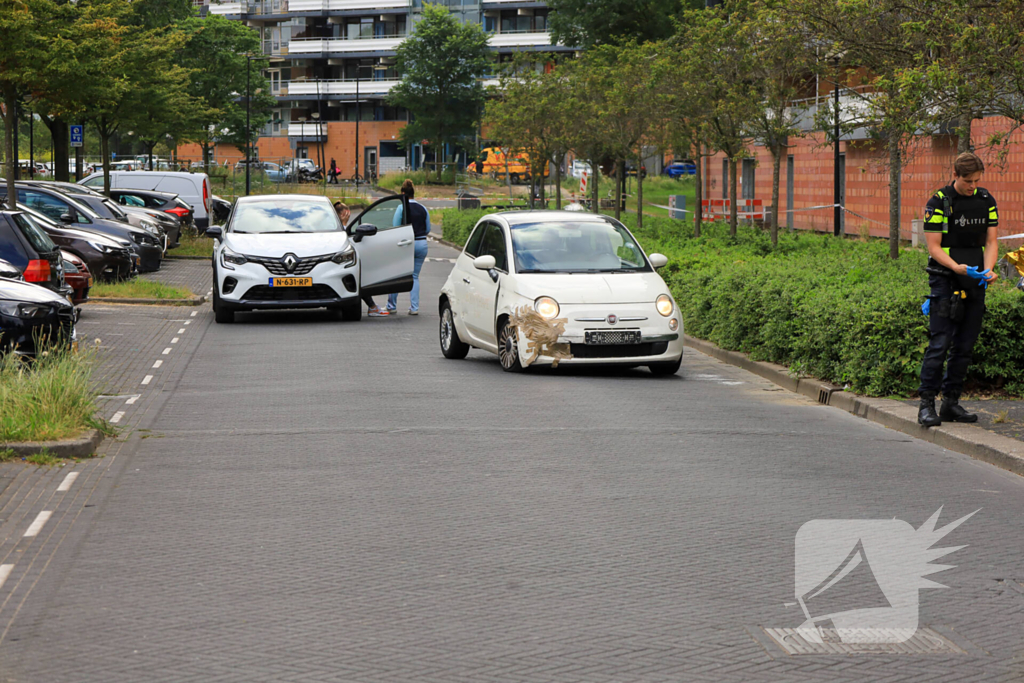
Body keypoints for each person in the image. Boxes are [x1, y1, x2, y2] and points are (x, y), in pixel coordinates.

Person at [917, 152, 999, 427]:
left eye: (977, 180)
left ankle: (950, 403)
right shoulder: (938, 202)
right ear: (955, 175)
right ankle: (926, 405)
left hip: (974, 279)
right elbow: (933, 247)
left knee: (965, 345)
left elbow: (991, 241)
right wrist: (955, 267)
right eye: (967, 181)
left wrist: (988, 270)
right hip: (945, 278)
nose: (972, 186)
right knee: (940, 343)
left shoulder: (986, 200)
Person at [334, 201, 389, 317]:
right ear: (344, 214)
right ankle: (372, 307)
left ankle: (372, 306)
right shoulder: (337, 229)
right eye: (347, 213)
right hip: (338, 264)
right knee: (358, 280)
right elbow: (342, 241)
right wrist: (344, 224)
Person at [387, 179, 430, 315]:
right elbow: (428, 229)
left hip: (405, 244)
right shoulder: (423, 208)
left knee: (396, 275)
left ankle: (391, 306)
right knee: (414, 276)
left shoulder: (401, 208)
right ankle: (414, 308)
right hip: (421, 243)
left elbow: (395, 227)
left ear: (402, 193)